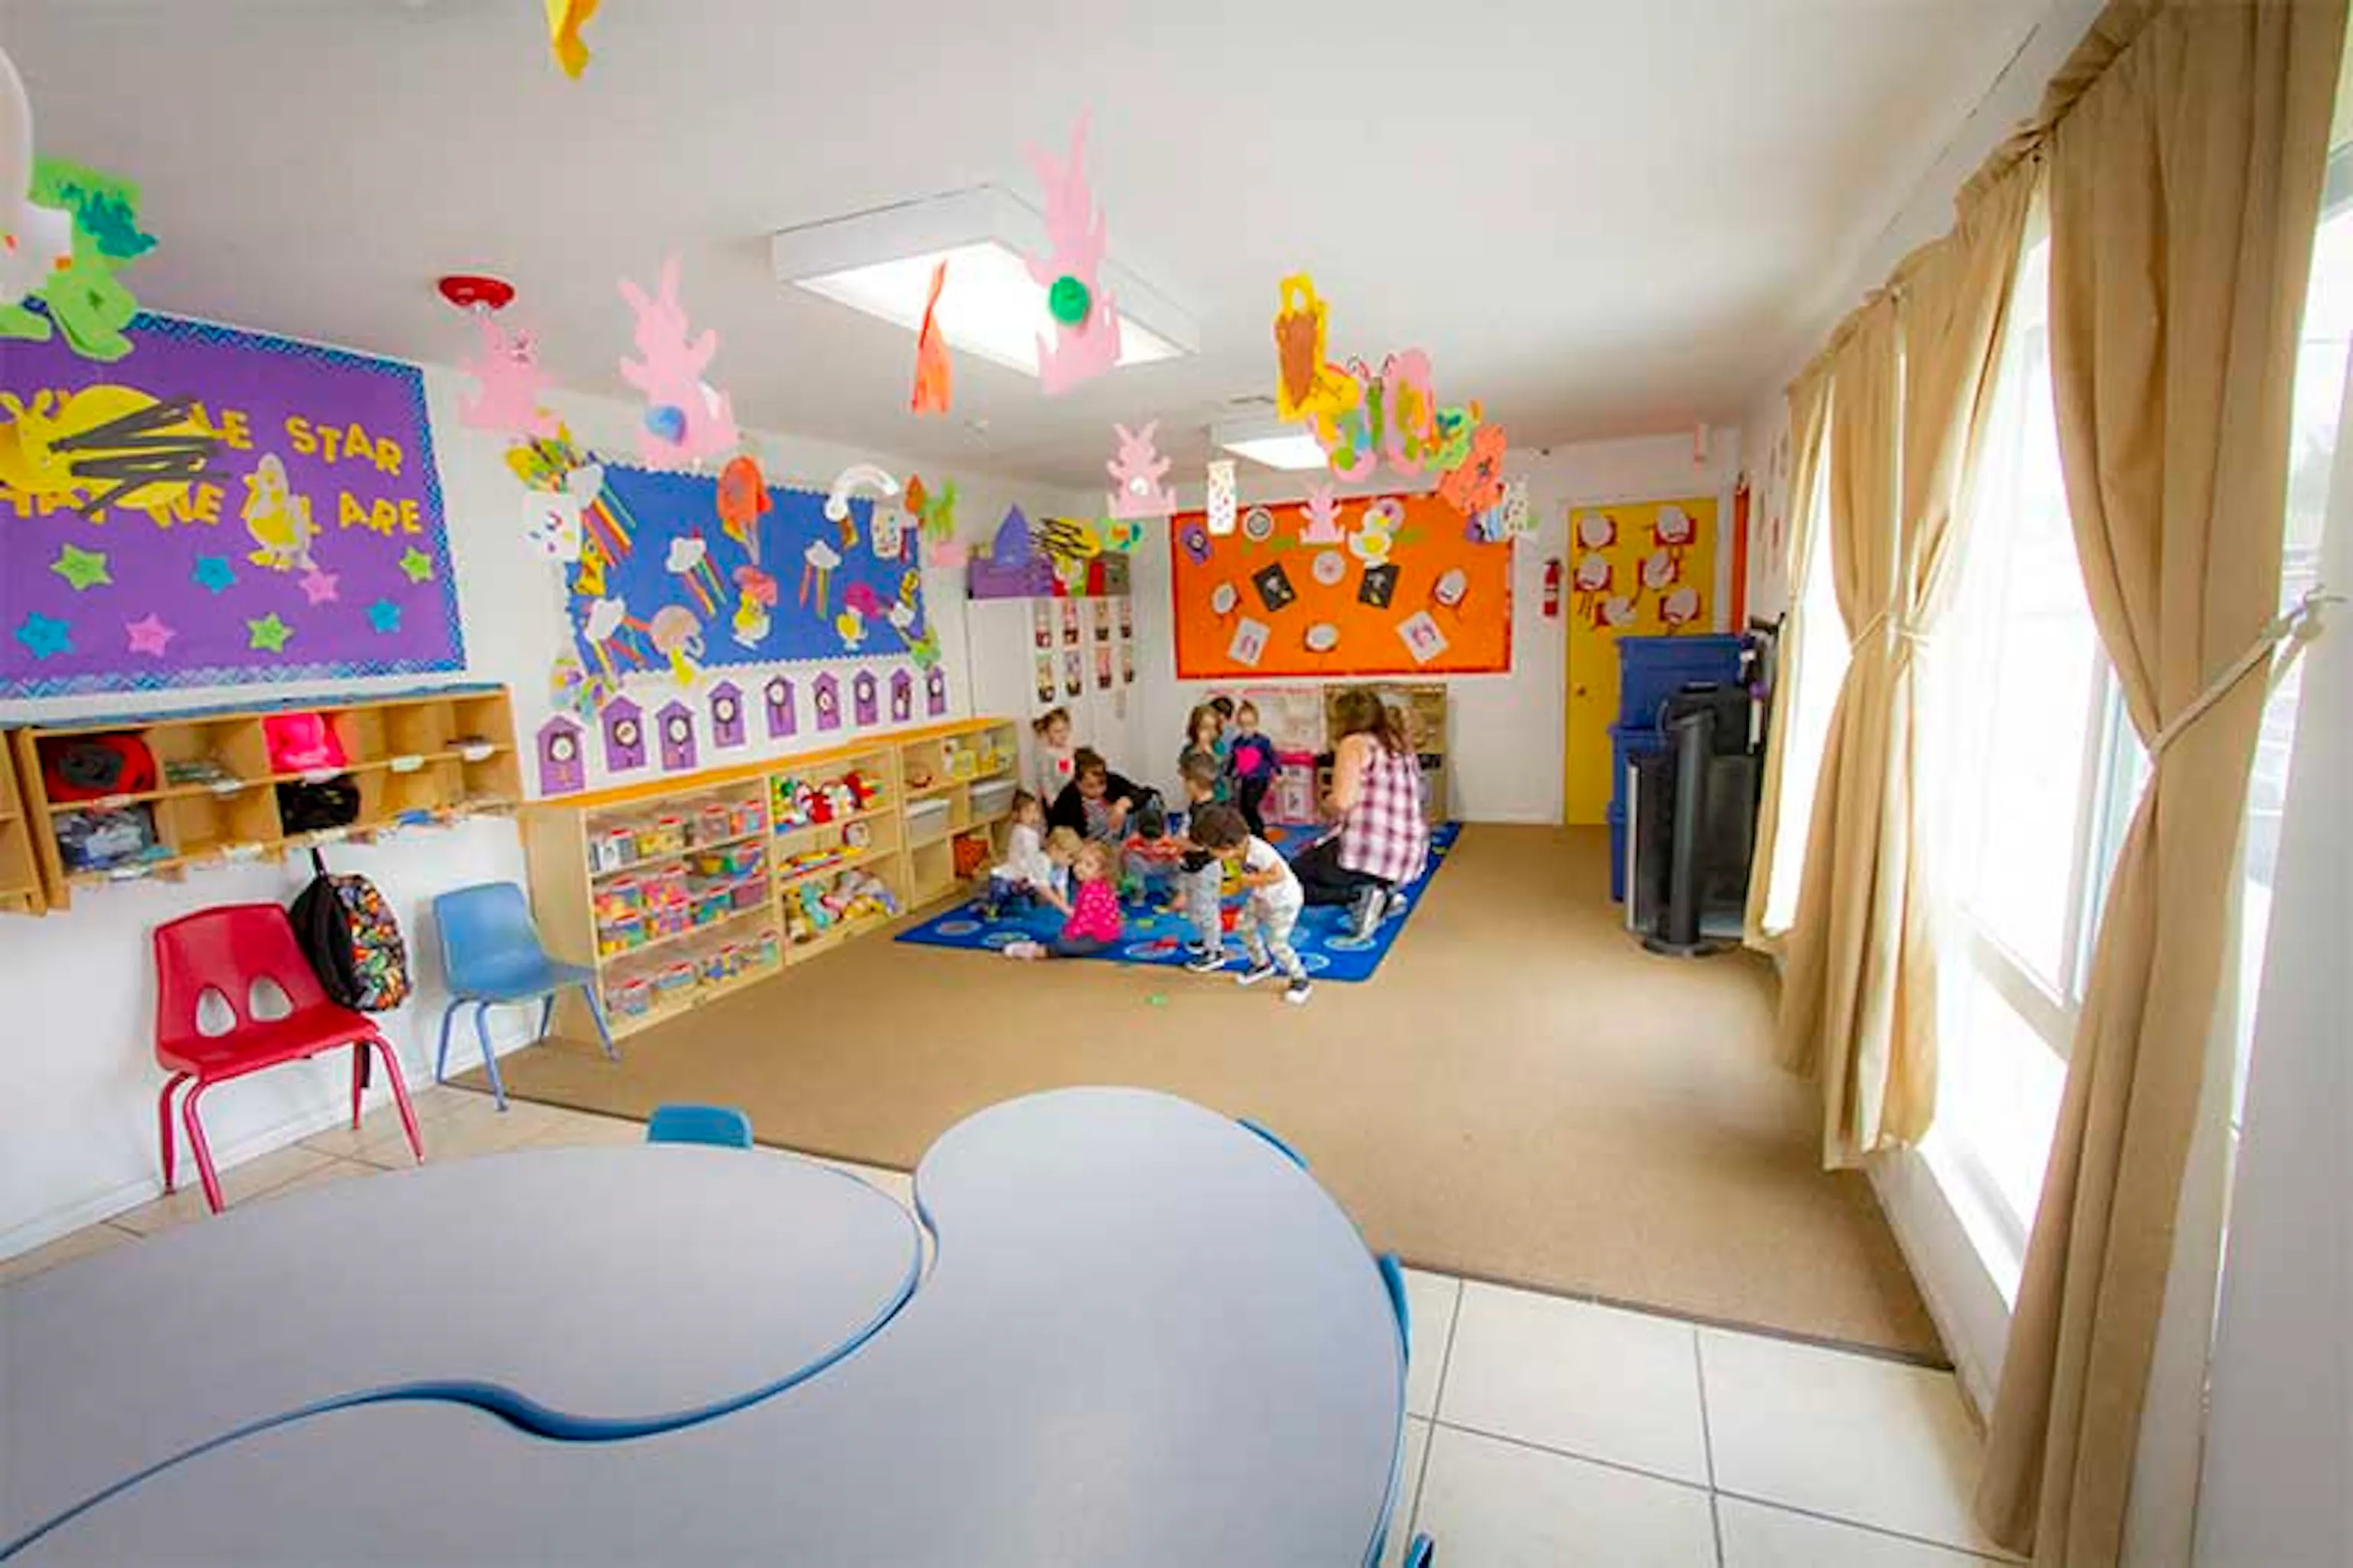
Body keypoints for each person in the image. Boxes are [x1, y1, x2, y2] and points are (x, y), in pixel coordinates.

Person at [1291, 686, 1431, 939]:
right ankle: (1383, 892)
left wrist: (1324, 805)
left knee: (1290, 879)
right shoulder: (1400, 744)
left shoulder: (1354, 743)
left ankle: (1358, 896)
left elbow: (1342, 802)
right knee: (1327, 853)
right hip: (1410, 854)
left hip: (1372, 851)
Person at [1190, 804, 1310, 1004]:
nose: (1210, 853)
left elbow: (1278, 874)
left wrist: (1247, 881)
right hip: (1261, 897)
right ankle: (1261, 964)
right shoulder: (1237, 852)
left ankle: (1300, 978)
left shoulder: (1260, 851)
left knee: (1277, 943)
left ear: (1227, 846)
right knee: (1243, 926)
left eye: (1211, 850)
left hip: (1283, 901)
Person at [1003, 839, 1122, 961]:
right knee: (1065, 939)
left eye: (1088, 865)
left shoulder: (1092, 893)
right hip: (1104, 935)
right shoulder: (1096, 887)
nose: (1080, 868)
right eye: (1078, 862)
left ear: (1101, 872)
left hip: (1099, 938)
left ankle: (1036, 952)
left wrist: (1069, 934)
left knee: (1061, 946)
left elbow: (1083, 921)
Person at [1168, 753, 1229, 971]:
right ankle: (1206, 940)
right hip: (1194, 866)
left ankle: (1214, 952)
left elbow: (1202, 845)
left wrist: (1177, 842)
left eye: (1185, 781)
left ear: (1193, 783)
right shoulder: (1197, 806)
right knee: (1197, 907)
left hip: (1206, 868)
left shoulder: (1209, 812)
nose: (1184, 785)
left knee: (1207, 910)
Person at [982, 791, 1070, 919]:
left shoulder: (1031, 832)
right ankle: (992, 907)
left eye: (1035, 811)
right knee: (1002, 893)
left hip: (1023, 873)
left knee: (1027, 905)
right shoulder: (1022, 832)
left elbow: (1033, 856)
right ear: (1016, 815)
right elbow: (1030, 858)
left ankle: (1019, 900)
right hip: (1011, 876)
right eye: (1028, 812)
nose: (1033, 815)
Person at [1046, 747, 1150, 842]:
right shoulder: (1067, 799)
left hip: (1122, 836)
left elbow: (1147, 794)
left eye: (1102, 784)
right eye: (1090, 786)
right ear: (1077, 783)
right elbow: (1056, 830)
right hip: (1090, 844)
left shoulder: (1113, 781)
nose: (1098, 790)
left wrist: (1123, 803)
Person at [1226, 699, 1278, 837]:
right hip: (1246, 780)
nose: (1247, 729)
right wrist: (1228, 773)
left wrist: (1278, 773)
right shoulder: (1237, 742)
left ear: (1256, 723)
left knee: (1250, 805)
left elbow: (1273, 757)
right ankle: (1251, 833)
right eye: (1243, 725)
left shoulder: (1262, 741)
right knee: (1243, 807)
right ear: (1239, 724)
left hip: (1260, 779)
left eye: (1250, 725)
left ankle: (1259, 833)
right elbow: (1234, 759)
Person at [1029, 707, 1076, 804]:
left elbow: (1068, 773)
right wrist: (1053, 801)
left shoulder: (1069, 750)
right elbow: (1046, 780)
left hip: (1071, 795)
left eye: (1065, 729)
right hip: (1056, 800)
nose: (1063, 734)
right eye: (1057, 731)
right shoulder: (1048, 754)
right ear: (1048, 733)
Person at [1177, 703, 1223, 800]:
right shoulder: (1189, 750)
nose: (1209, 733)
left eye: (1213, 728)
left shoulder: (1219, 748)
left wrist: (1211, 754)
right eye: (1204, 728)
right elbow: (1183, 770)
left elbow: (1223, 773)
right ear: (1195, 729)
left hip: (1218, 799)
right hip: (1196, 798)